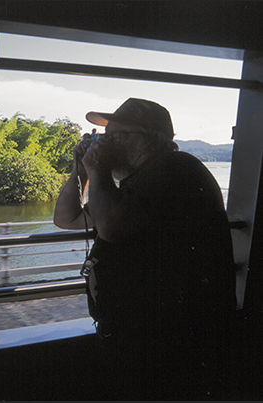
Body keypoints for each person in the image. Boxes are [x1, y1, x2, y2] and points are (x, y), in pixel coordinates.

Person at [54, 98, 237, 400]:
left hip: (171, 342)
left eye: (116, 136)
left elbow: (111, 227)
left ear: (151, 138)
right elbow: (66, 218)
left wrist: (98, 170)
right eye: (104, 136)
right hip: (142, 336)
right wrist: (82, 172)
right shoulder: (136, 182)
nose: (105, 143)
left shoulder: (173, 170)